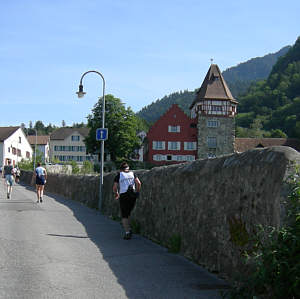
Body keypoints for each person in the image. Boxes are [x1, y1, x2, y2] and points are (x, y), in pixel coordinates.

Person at [113, 162, 141, 240]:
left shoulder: (119, 175)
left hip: (124, 195)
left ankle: (127, 232)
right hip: (132, 195)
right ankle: (129, 228)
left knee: (124, 215)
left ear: (121, 169)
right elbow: (139, 183)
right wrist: (137, 192)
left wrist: (116, 194)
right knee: (129, 212)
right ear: (128, 168)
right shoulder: (133, 173)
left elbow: (115, 188)